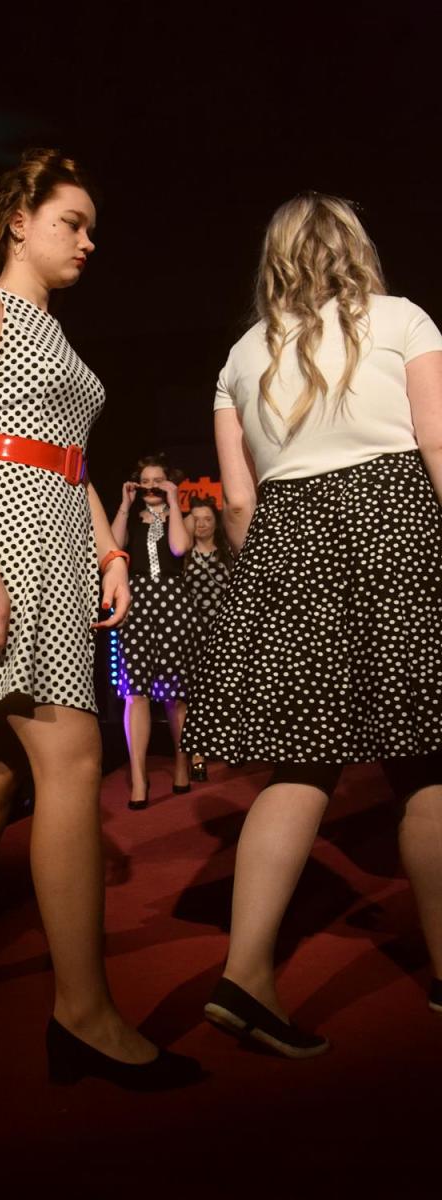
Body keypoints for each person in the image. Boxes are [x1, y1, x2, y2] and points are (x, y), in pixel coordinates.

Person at [0, 148, 203, 1089]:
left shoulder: (55, 334)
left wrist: (110, 552)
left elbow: (68, 459)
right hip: (2, 546)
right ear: (19, 221)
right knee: (70, 757)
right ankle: (82, 1012)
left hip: (59, 540)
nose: (88, 240)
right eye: (72, 221)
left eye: (92, 227)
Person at [182, 192, 442, 1055]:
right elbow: (438, 444)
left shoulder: (241, 353)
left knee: (301, 763)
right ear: (355, 248)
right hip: (398, 530)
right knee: (427, 761)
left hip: (289, 543)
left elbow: (239, 500)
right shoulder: (403, 320)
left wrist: (278, 578)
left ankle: (245, 977)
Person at [109, 455, 203, 807]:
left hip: (174, 604)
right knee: (135, 692)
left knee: (175, 694)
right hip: (136, 604)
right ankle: (138, 778)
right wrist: (125, 504)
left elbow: (179, 547)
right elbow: (113, 549)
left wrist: (174, 501)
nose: (150, 486)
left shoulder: (183, 516)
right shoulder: (131, 518)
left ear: (168, 483)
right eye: (144, 480)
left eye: (157, 480)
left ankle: (181, 764)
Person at [182, 496, 234, 781]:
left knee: (225, 691)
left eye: (207, 519)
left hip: (224, 632)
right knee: (195, 694)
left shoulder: (228, 553)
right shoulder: (183, 556)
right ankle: (198, 756)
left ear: (216, 523)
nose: (201, 524)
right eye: (196, 519)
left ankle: (229, 745)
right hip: (192, 633)